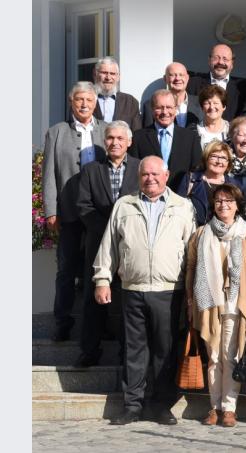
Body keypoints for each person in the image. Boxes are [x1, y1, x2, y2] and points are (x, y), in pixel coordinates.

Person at [93, 156, 196, 426]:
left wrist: (191, 292)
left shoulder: (182, 206)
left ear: (166, 175)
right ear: (139, 177)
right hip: (133, 288)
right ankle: (132, 405)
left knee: (165, 349)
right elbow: (109, 246)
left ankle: (161, 405)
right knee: (134, 350)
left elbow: (191, 251)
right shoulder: (124, 205)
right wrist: (102, 279)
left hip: (169, 290)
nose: (150, 178)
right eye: (145, 174)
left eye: (155, 174)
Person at [185, 183, 246, 428]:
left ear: (237, 205)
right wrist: (190, 297)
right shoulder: (202, 233)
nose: (223, 205)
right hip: (209, 303)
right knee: (214, 357)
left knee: (230, 357)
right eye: (218, 201)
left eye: (228, 201)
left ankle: (229, 408)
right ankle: (214, 407)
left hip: (235, 304)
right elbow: (191, 266)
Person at [43, 81, 107, 341]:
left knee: (98, 269)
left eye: (89, 100)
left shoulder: (105, 131)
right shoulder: (57, 132)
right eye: (79, 99)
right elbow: (48, 175)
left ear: (95, 103)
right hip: (68, 210)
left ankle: (98, 326)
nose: (84, 104)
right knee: (66, 268)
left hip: (98, 211)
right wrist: (50, 210)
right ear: (71, 102)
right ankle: (63, 321)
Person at [75, 121, 140, 367]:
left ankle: (126, 353)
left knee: (128, 300)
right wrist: (107, 231)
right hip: (97, 243)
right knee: (93, 299)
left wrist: (123, 232)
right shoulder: (91, 170)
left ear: (129, 142)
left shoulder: (139, 167)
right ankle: (89, 350)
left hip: (130, 245)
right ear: (105, 142)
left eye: (120, 139)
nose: (115, 142)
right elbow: (83, 206)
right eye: (110, 138)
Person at [129, 89, 203, 191]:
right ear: (152, 109)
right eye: (159, 108)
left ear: (176, 109)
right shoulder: (139, 137)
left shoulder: (190, 137)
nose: (165, 112)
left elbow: (196, 170)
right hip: (148, 196)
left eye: (169, 107)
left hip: (180, 197)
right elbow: (134, 170)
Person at [177, 140, 237, 226]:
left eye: (223, 158)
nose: (219, 161)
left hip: (224, 234)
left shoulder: (233, 184)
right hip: (195, 233)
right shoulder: (191, 179)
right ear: (206, 158)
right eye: (214, 156)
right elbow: (177, 208)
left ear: (228, 163)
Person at [187, 43, 246, 121]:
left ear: (232, 64)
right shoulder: (193, 83)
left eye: (225, 59)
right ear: (209, 61)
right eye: (216, 58)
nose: (220, 62)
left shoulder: (242, 89)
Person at [144, 62, 202, 128]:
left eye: (181, 75)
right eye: (172, 75)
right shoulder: (150, 105)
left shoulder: (201, 103)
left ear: (187, 78)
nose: (177, 78)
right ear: (165, 78)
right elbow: (147, 134)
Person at [93, 56, 143, 130]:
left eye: (112, 73)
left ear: (118, 77)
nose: (108, 77)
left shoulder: (131, 102)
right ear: (95, 75)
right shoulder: (85, 99)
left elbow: (137, 133)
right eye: (104, 73)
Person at [193, 85, 230, 149]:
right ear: (202, 107)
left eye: (215, 103)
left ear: (224, 107)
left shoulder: (232, 130)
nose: (211, 107)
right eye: (207, 103)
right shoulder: (194, 131)